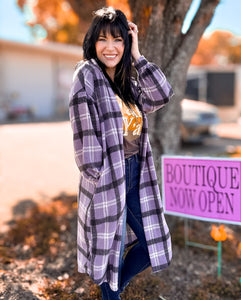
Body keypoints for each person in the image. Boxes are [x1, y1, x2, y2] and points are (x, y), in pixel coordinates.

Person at [69, 6, 173, 299]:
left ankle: (115, 290)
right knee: (108, 246)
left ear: (126, 44)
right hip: (107, 176)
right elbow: (82, 129)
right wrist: (96, 173)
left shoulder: (128, 79)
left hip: (136, 174)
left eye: (118, 40)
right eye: (103, 39)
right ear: (93, 42)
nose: (110, 47)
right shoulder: (87, 73)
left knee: (154, 242)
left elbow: (162, 95)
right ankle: (111, 295)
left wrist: (138, 56)